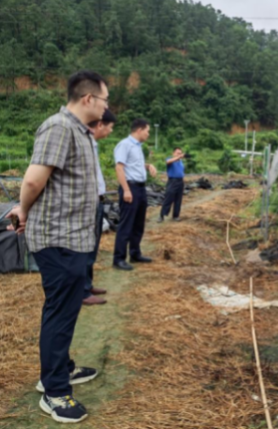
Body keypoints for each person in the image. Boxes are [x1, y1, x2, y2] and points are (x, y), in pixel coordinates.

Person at [7, 70, 108, 423]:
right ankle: (55, 391)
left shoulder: (78, 132)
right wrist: (23, 209)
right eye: (105, 99)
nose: (107, 106)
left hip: (73, 238)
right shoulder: (59, 127)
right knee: (60, 313)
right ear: (88, 99)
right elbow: (34, 179)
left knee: (65, 309)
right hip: (58, 238)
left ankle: (61, 368)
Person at [112, 119, 157, 271]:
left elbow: (133, 165)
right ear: (139, 130)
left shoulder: (138, 147)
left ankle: (135, 253)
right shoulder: (125, 144)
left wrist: (148, 166)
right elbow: (119, 168)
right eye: (147, 131)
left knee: (138, 223)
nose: (148, 134)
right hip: (130, 188)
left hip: (140, 189)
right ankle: (119, 259)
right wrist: (126, 190)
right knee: (126, 224)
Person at [83, 109, 116, 306]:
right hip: (89, 202)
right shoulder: (85, 143)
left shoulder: (92, 145)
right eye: (110, 127)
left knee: (92, 247)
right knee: (86, 247)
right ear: (100, 124)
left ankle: (87, 284)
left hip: (97, 201)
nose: (110, 131)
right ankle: (82, 291)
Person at [158, 147, 185, 223]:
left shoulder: (181, 162)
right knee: (168, 198)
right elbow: (168, 162)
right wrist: (178, 157)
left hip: (180, 182)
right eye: (177, 153)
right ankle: (162, 215)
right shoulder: (170, 159)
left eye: (180, 153)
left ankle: (176, 216)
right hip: (172, 181)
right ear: (173, 153)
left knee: (178, 200)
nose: (179, 155)